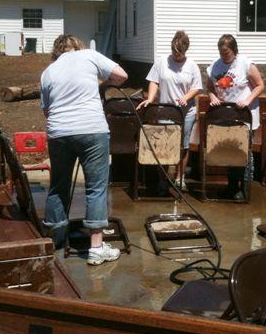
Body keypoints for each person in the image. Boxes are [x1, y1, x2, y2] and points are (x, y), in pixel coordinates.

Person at [40, 34, 128, 266]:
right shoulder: (88, 55)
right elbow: (121, 75)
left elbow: (47, 111)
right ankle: (97, 248)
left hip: (59, 132)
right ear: (76, 47)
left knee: (58, 185)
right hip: (91, 129)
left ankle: (55, 241)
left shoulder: (48, 72)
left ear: (57, 51)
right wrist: (104, 84)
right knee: (96, 187)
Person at [137, 30, 202, 189]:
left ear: (185, 50)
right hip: (165, 111)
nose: (176, 55)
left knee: (183, 146)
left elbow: (197, 88)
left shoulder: (192, 65)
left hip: (186, 113)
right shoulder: (162, 62)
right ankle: (163, 179)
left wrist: (186, 97)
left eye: (179, 53)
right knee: (164, 145)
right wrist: (151, 99)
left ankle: (180, 178)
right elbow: (154, 81)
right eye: (174, 51)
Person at [207, 34, 265, 200]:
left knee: (244, 151)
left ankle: (245, 187)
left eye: (227, 53)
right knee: (230, 149)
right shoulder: (214, 67)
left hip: (244, 115)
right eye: (221, 52)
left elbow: (260, 85)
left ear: (234, 50)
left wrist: (247, 100)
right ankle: (232, 186)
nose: (224, 56)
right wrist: (213, 97)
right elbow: (209, 87)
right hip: (226, 115)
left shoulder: (245, 64)